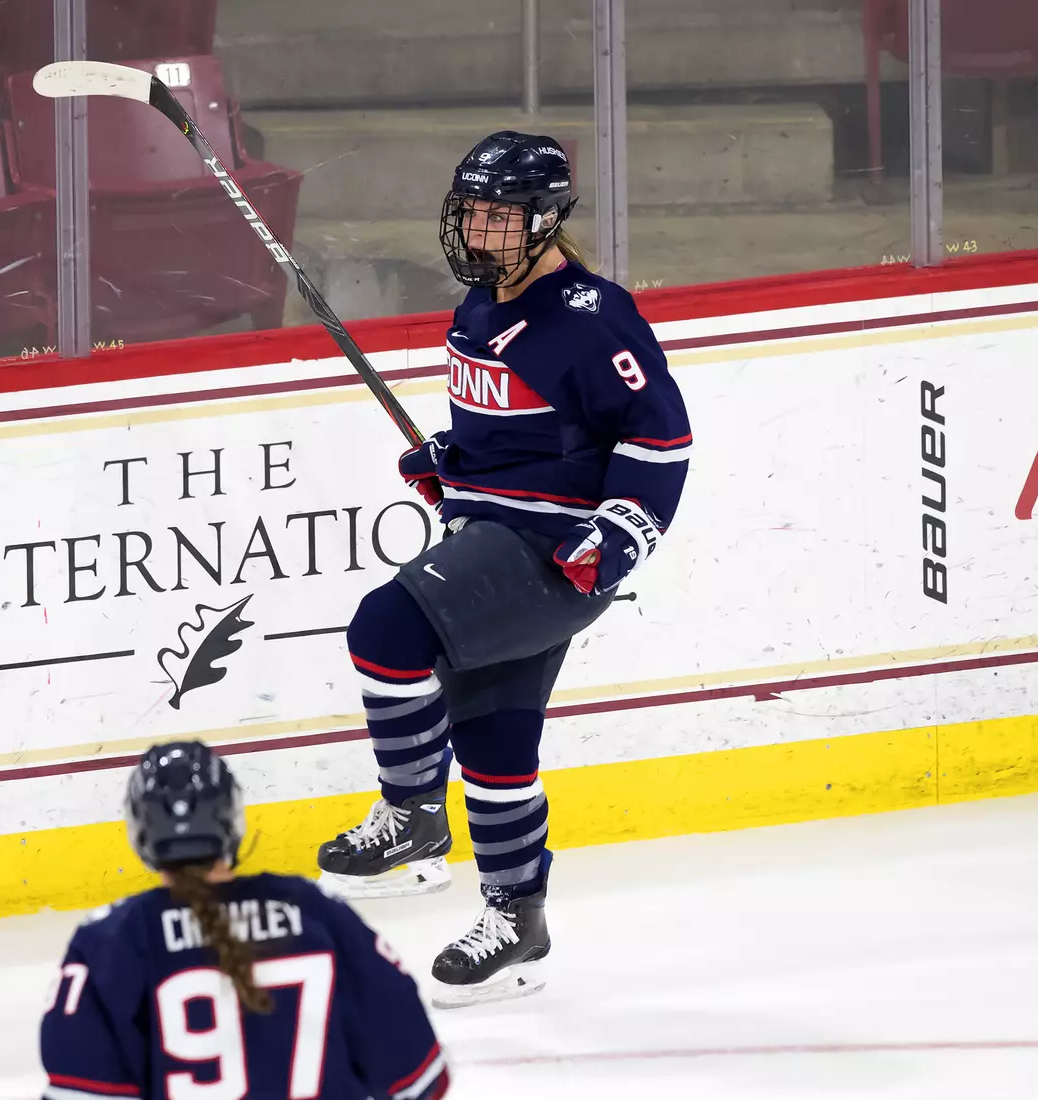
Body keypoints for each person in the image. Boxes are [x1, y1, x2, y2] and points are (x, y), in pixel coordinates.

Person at [315, 131, 692, 1008]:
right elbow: (514, 438)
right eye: (473, 210)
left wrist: (624, 532)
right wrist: (452, 462)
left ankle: (411, 815)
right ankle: (516, 922)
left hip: (555, 552)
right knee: (494, 744)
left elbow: (660, 437)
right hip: (492, 533)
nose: (481, 229)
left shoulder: (592, 320)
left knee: (385, 628)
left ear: (547, 218)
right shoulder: (480, 307)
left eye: (500, 214)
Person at [39, 742, 450, 1100]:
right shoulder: (317, 913)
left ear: (139, 832)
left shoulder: (108, 942)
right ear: (233, 818)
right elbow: (421, 1077)